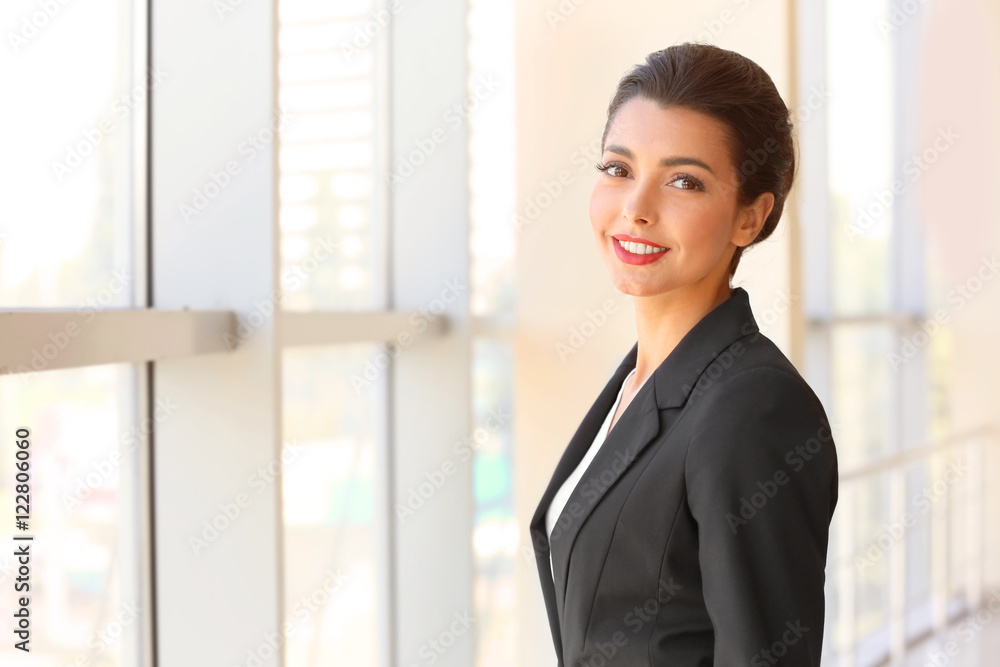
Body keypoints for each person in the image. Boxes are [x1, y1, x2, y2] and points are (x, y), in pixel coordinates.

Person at [529, 42, 839, 666]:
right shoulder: (642, 381)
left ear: (749, 218)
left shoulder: (753, 407)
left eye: (683, 181)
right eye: (618, 169)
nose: (636, 209)